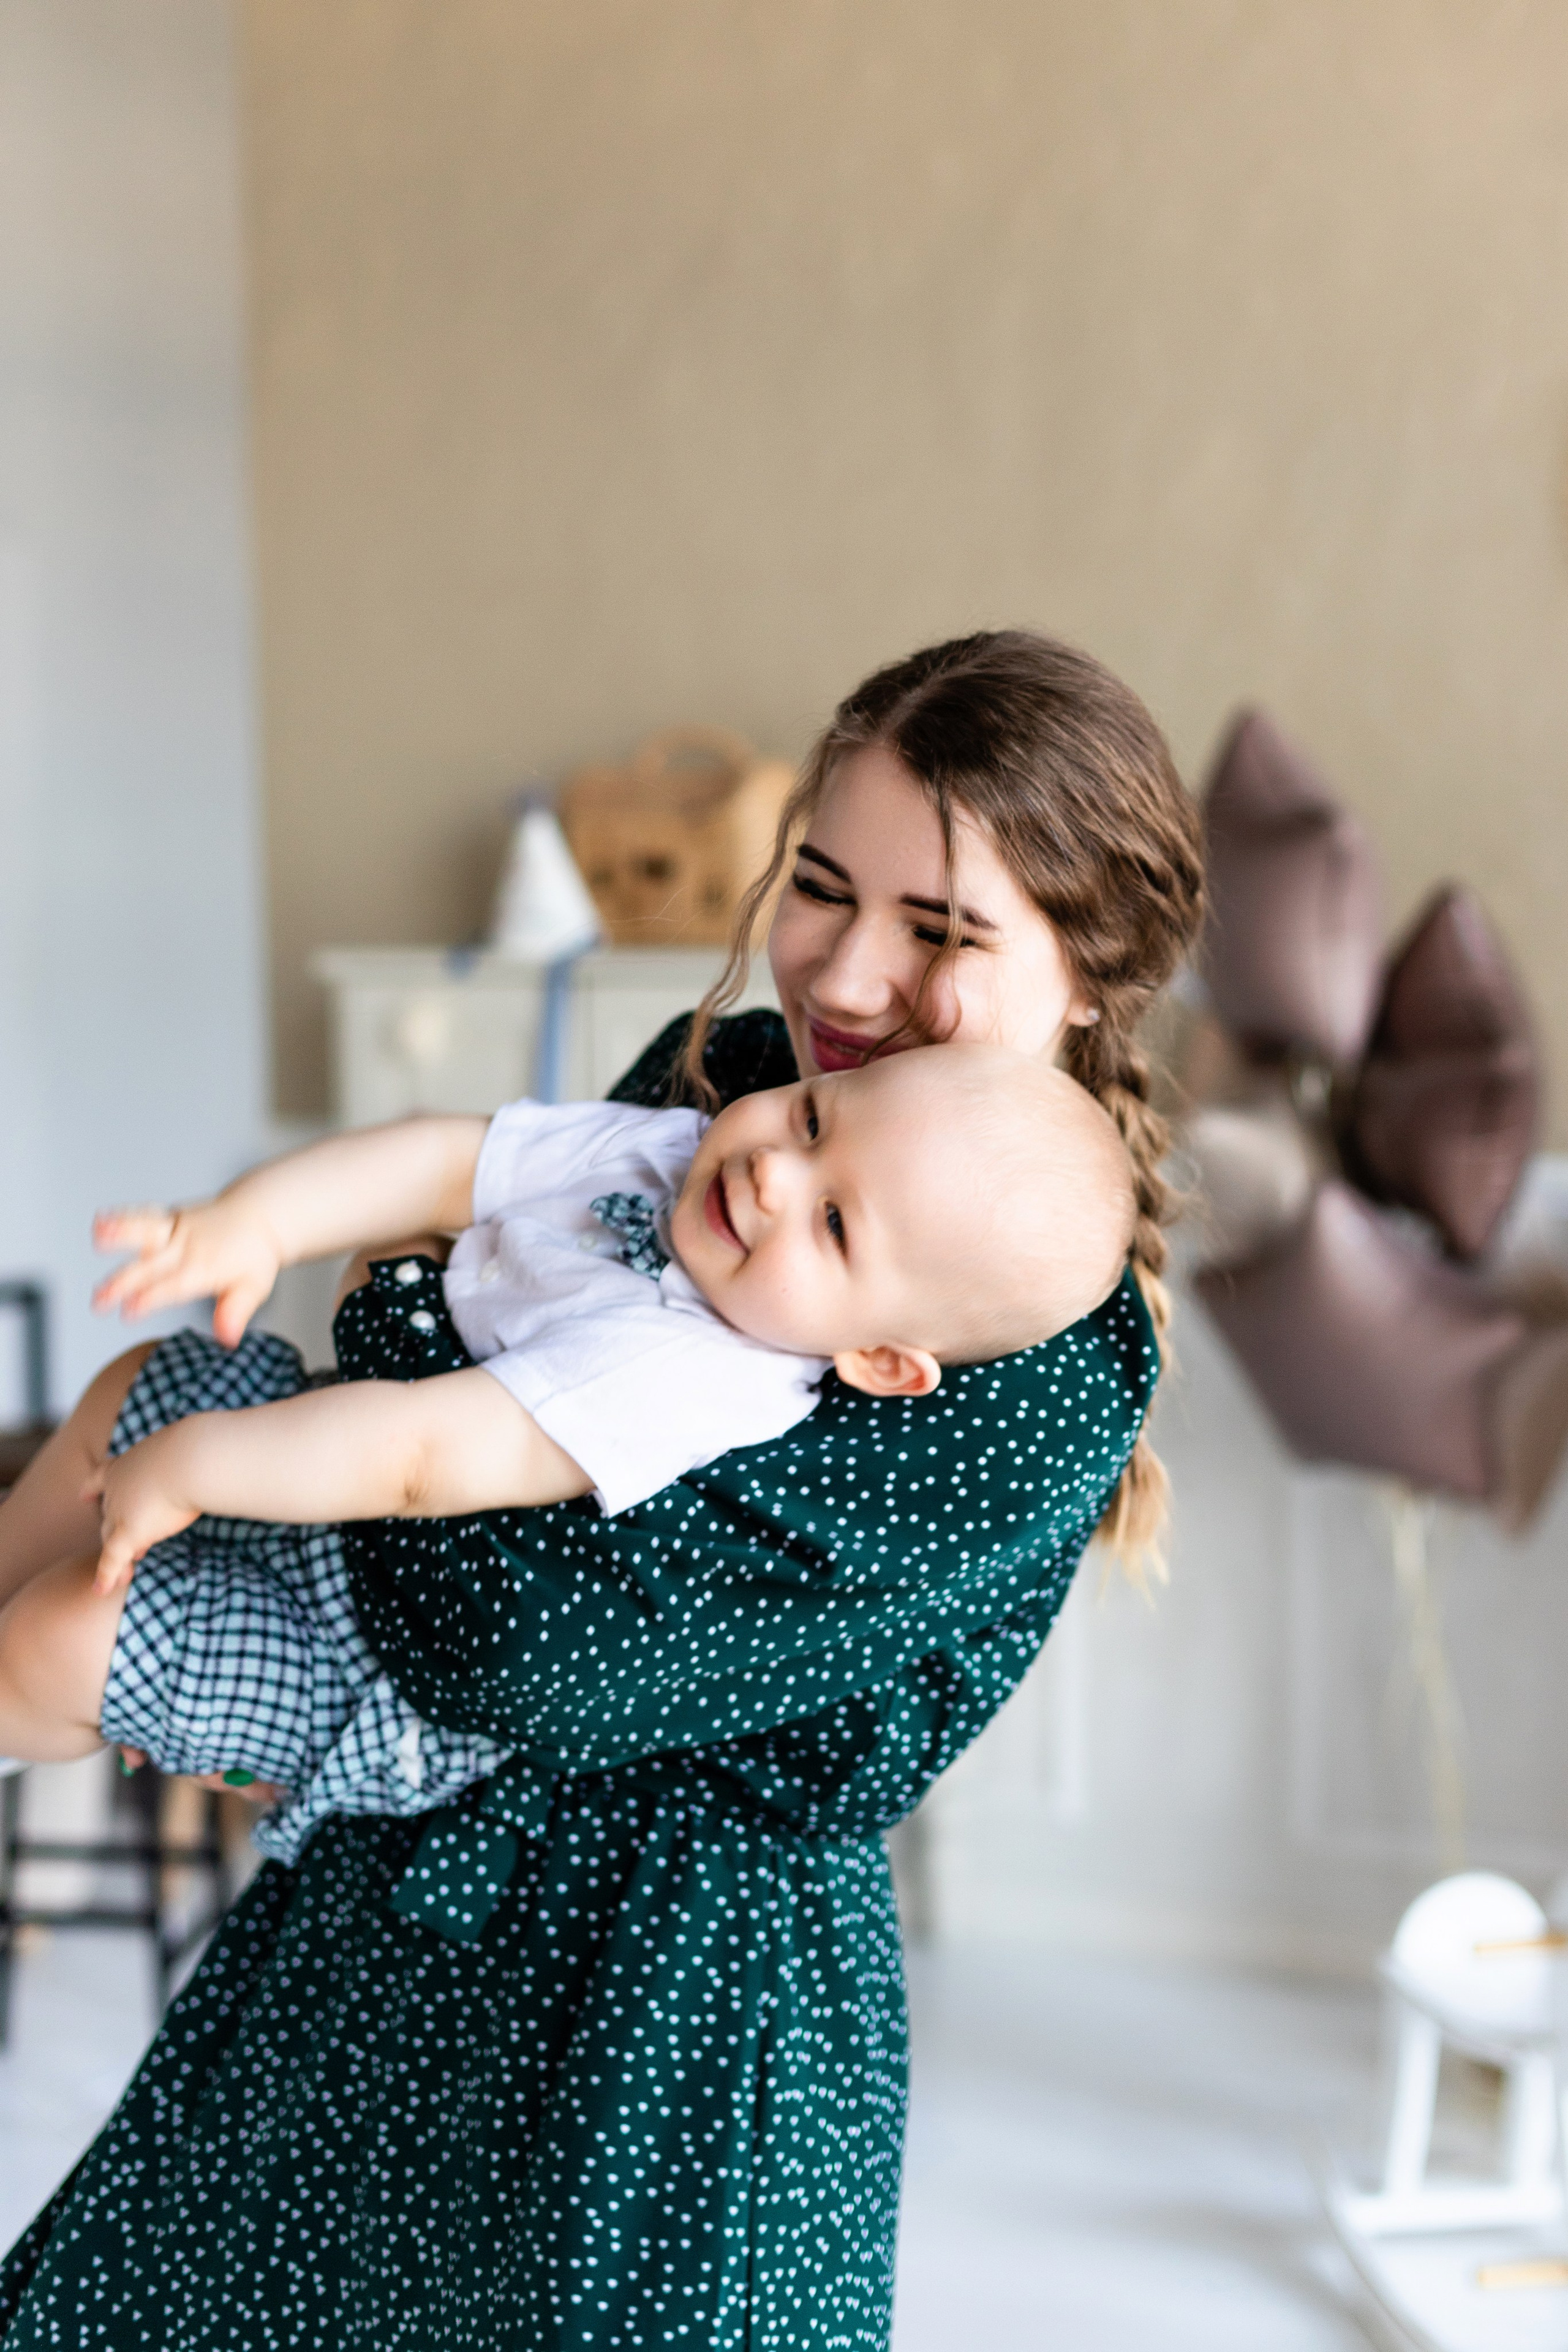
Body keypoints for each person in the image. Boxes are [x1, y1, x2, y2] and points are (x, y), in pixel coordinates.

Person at [0, 628, 1204, 2352]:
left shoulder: (1040, 1361)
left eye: (941, 934)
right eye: (819, 887)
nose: (849, 974)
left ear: (1091, 974)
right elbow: (476, 1274)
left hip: (661, 2031)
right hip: (404, 1902)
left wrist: (391, 1313)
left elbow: (519, 1643)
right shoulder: (748, 1080)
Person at [0, 1047, 1133, 1872]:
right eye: (813, 1118)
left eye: (834, 1222)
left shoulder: (704, 1372)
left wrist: (193, 1468)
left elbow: (419, 1458)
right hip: (333, 1448)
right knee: (135, 1386)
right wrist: (257, 1222)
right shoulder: (670, 1151)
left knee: (65, 1641)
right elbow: (447, 1162)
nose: (774, 1175)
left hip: (374, 1654)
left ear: (880, 1359)